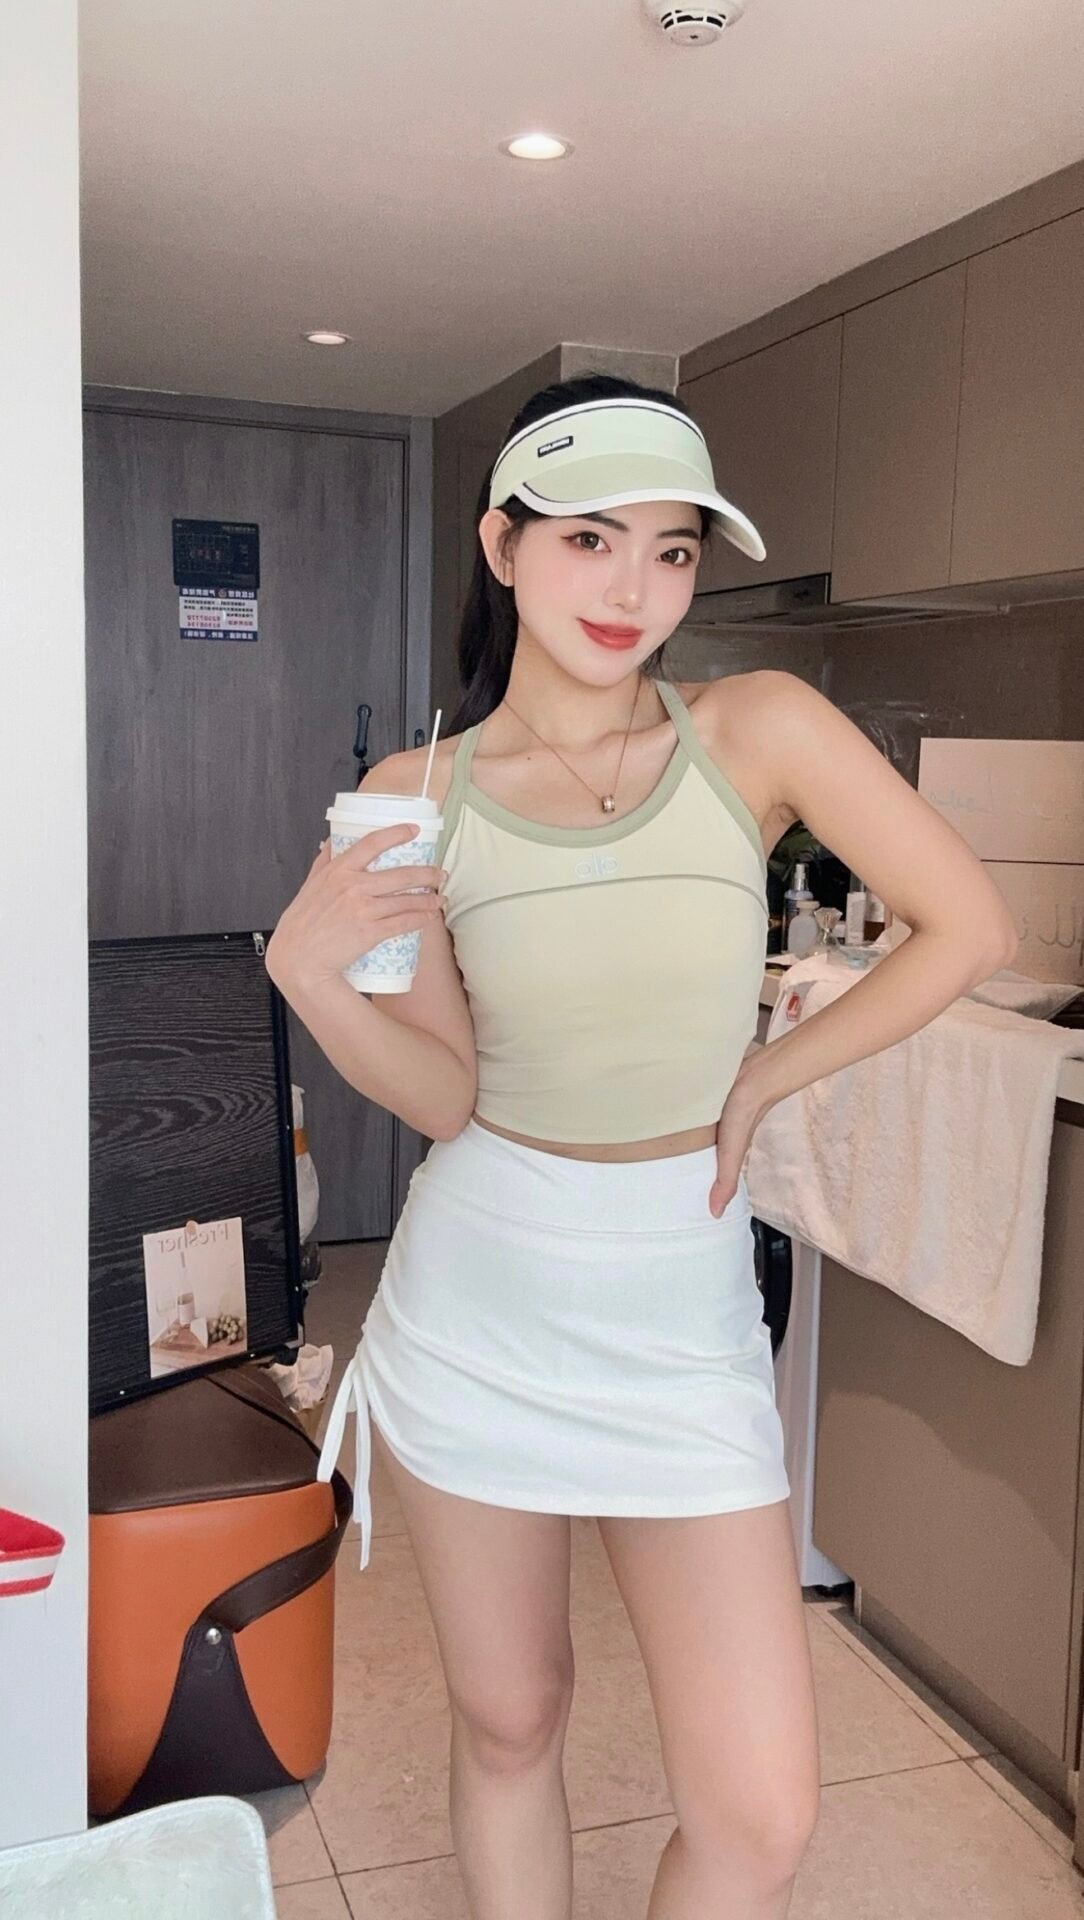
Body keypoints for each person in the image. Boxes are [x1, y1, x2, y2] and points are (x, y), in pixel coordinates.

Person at [266, 372, 1018, 1920]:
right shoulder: (413, 798)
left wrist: (767, 1078)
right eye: (591, 540)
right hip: (483, 1305)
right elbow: (442, 1097)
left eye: (672, 551)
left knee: (761, 1813)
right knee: (511, 1720)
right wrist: (307, 980)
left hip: (681, 1315)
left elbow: (970, 926)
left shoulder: (758, 729)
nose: (633, 589)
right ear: (503, 546)